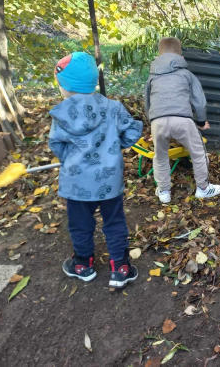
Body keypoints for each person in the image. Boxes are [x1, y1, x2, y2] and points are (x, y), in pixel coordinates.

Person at [48, 52, 143, 288]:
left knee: (80, 223)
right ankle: (120, 267)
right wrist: (113, 147)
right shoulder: (113, 107)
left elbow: (57, 145)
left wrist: (70, 160)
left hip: (77, 182)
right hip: (109, 179)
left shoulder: (61, 113)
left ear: (65, 84)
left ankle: (83, 265)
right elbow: (133, 131)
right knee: (114, 221)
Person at [144, 37, 220, 203]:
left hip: (158, 121)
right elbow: (199, 101)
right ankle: (203, 188)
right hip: (182, 119)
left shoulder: (152, 77)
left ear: (158, 57)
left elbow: (148, 103)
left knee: (160, 155)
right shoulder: (187, 74)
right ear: (182, 58)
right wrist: (201, 122)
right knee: (198, 152)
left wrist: (152, 125)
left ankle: (164, 191)